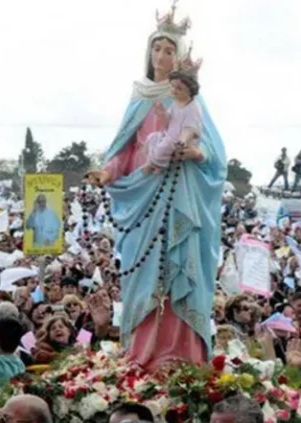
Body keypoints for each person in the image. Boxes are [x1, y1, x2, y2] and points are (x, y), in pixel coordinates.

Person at [83, 2, 226, 371]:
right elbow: (126, 149)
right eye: (157, 48)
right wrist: (108, 173)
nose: (161, 56)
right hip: (145, 197)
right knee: (144, 274)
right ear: (148, 53)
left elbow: (214, 152)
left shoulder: (189, 99)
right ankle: (142, 355)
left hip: (180, 196)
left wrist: (194, 151)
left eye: (169, 50)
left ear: (178, 58)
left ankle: (183, 357)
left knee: (182, 271)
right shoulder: (140, 97)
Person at [142, 65, 203, 174]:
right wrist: (161, 113)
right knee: (152, 138)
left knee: (164, 147)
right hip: (168, 135)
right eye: (173, 86)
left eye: (179, 88)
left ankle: (156, 165)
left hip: (179, 140)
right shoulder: (175, 104)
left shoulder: (193, 107)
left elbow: (190, 128)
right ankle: (152, 162)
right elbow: (167, 121)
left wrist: (183, 140)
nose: (174, 91)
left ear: (190, 91)